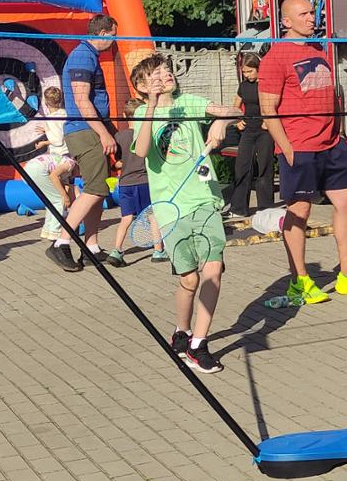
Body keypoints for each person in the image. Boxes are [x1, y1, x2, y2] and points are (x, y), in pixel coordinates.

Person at [260, 0, 347, 305]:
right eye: (303, 14)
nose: (311, 18)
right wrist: (287, 149)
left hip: (331, 144)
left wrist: (338, 133)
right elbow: (268, 109)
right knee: (300, 211)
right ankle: (299, 282)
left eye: (312, 13)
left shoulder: (319, 49)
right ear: (286, 21)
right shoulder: (275, 57)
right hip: (299, 147)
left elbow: (331, 94)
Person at [129, 54, 237, 373]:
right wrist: (151, 105)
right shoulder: (141, 114)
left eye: (167, 70)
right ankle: (182, 331)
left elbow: (234, 110)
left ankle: (198, 344)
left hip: (204, 200)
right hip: (170, 208)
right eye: (156, 73)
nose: (166, 74)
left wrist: (220, 122)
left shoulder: (189, 102)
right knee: (189, 280)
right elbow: (141, 150)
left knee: (213, 269)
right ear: (141, 86)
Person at [48, 15, 119, 272]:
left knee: (98, 189)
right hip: (84, 131)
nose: (115, 41)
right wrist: (103, 134)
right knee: (96, 189)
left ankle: (92, 247)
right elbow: (81, 100)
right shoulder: (82, 56)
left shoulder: (89, 56)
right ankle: (61, 242)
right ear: (103, 33)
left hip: (91, 130)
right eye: (113, 36)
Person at [22, 85, 75, 245]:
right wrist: (46, 138)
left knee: (58, 197)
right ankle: (59, 226)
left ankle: (55, 229)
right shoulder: (65, 114)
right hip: (61, 157)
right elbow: (61, 137)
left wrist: (46, 135)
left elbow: (57, 140)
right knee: (60, 194)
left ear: (45, 102)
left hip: (59, 158)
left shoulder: (51, 118)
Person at [104, 97, 151, 267]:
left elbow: (118, 163)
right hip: (144, 181)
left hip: (124, 183)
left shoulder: (119, 136)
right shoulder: (147, 135)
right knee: (152, 216)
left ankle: (117, 250)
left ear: (124, 115)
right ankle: (159, 250)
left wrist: (121, 165)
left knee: (126, 218)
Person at [226, 52, 274, 217]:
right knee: (242, 168)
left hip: (265, 132)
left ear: (258, 68)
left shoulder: (267, 85)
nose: (247, 75)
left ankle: (265, 209)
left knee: (264, 168)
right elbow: (235, 107)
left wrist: (269, 121)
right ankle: (238, 209)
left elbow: (275, 104)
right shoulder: (243, 86)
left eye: (250, 71)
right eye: (244, 72)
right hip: (247, 131)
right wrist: (237, 120)